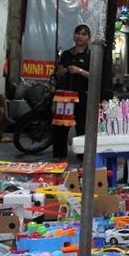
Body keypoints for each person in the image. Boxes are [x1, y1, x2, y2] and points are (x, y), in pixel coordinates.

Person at [51, 24, 91, 160]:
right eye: (78, 33)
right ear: (74, 36)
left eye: (84, 34)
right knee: (60, 126)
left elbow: (95, 76)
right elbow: (59, 72)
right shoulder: (66, 54)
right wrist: (61, 71)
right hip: (65, 96)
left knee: (82, 126)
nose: (80, 36)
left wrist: (79, 71)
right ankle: (59, 154)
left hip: (82, 95)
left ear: (88, 38)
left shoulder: (90, 55)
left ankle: (83, 155)